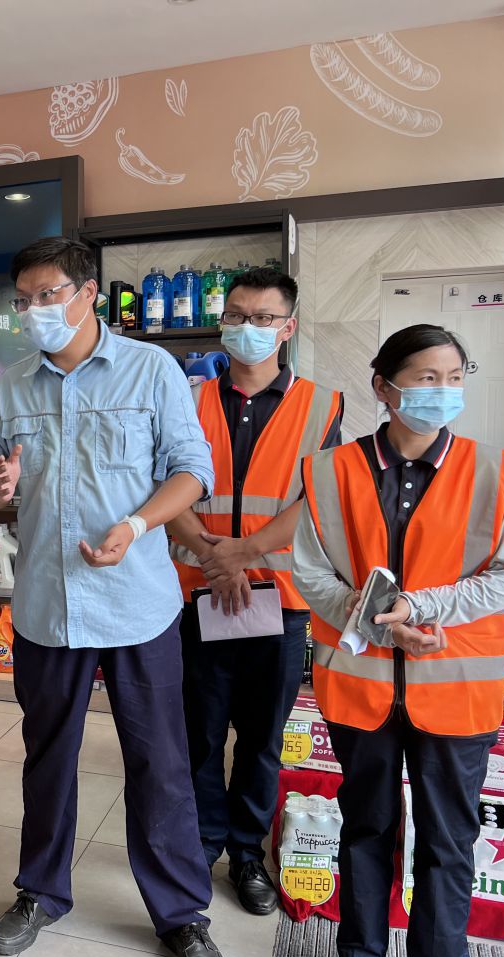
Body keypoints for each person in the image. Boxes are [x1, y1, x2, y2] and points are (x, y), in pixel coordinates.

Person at [0, 237, 229, 957]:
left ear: (88, 293)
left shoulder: (151, 370)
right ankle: (39, 891)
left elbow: (193, 471)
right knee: (47, 755)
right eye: (23, 299)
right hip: (46, 607)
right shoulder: (11, 385)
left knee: (160, 760)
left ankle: (180, 914)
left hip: (137, 604)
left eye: (47, 294)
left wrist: (138, 524)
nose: (33, 310)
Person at [293, 325, 504, 957]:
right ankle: (359, 956)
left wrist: (421, 609)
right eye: (426, 378)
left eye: (454, 378)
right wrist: (379, 623)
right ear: (384, 386)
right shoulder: (330, 470)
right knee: (365, 826)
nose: (442, 391)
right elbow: (310, 572)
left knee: (447, 838)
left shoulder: (491, 470)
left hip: (456, 691)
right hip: (361, 688)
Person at [167, 267, 342, 915]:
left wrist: (242, 553)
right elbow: (164, 486)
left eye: (263, 318)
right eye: (237, 315)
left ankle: (247, 854)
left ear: (287, 327)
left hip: (279, 600)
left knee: (262, 740)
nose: (248, 327)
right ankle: (200, 843)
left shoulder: (323, 405)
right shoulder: (185, 399)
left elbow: (315, 497)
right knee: (198, 735)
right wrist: (215, 559)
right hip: (197, 594)